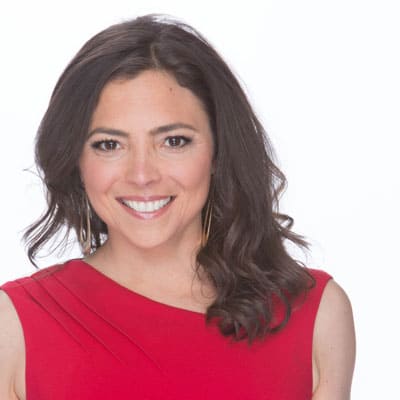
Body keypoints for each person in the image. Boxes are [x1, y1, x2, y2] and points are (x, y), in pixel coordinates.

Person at [0, 14, 355, 400]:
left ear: (218, 151)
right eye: (109, 145)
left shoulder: (313, 316)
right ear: (76, 161)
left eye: (173, 141)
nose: (142, 175)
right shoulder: (14, 329)